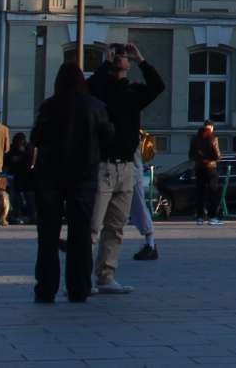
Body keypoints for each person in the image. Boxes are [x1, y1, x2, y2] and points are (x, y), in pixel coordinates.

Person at [30, 60, 112, 305]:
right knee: (80, 234)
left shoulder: (49, 106)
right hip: (84, 176)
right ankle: (79, 288)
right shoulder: (96, 107)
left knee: (48, 235)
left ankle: (46, 288)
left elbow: (36, 137)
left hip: (50, 176)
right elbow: (108, 138)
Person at [86, 42, 163, 295]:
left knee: (116, 227)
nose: (123, 58)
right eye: (119, 55)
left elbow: (158, 87)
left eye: (125, 56)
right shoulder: (102, 90)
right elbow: (90, 90)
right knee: (92, 227)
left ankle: (106, 276)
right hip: (103, 165)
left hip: (127, 166)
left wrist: (142, 59)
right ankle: (81, 277)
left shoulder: (133, 91)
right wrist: (105, 63)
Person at [129, 130, 158, 260]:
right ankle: (150, 243)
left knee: (138, 206)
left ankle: (150, 244)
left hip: (131, 170)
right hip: (129, 169)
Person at [190, 123, 222, 225]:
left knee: (200, 193)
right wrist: (209, 160)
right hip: (210, 168)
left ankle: (200, 217)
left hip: (199, 168)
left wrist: (199, 159)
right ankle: (213, 217)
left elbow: (190, 155)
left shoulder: (194, 139)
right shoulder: (212, 138)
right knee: (213, 192)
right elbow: (217, 156)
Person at [3, 132, 35, 225]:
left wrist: (19, 159)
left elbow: (30, 161)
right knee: (17, 197)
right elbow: (7, 159)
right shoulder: (16, 148)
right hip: (18, 176)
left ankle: (28, 215)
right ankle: (19, 215)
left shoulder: (28, 148)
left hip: (25, 176)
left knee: (26, 197)